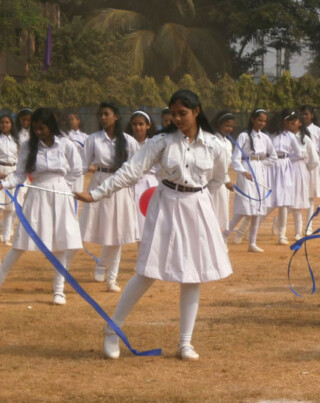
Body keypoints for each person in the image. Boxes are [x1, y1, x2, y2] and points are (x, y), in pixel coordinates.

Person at [74, 89, 232, 361]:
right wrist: (97, 193)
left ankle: (185, 343)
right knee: (148, 271)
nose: (178, 119)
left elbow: (219, 178)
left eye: (183, 113)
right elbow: (131, 171)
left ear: (196, 111)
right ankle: (112, 329)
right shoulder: (161, 142)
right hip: (166, 205)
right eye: (174, 114)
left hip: (197, 208)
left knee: (193, 275)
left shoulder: (215, 146)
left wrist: (200, 196)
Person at [0, 108, 83, 306]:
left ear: (51, 126)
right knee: (20, 243)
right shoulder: (29, 146)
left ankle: (59, 290)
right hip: (37, 194)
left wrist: (64, 187)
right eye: (35, 128)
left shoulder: (65, 144)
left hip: (60, 195)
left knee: (61, 243)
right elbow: (20, 174)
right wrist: (3, 184)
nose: (38, 131)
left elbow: (77, 169)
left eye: (42, 128)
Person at [79, 102, 138, 292]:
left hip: (120, 186)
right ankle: (101, 263)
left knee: (118, 234)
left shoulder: (129, 141)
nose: (103, 117)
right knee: (100, 230)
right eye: (100, 114)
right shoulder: (93, 139)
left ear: (116, 116)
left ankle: (111, 278)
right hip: (99, 183)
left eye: (106, 114)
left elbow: (136, 167)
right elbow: (81, 166)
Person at [223, 109, 276, 252]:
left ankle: (252, 243)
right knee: (243, 209)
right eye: (260, 120)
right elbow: (235, 158)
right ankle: (224, 237)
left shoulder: (265, 137)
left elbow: (273, 156)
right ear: (253, 119)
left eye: (264, 121)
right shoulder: (243, 136)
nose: (262, 123)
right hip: (246, 172)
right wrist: (244, 171)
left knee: (257, 210)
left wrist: (260, 165)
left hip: (259, 172)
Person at [263, 109, 302, 245]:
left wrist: (287, 159)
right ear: (283, 121)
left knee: (284, 201)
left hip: (285, 168)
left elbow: (298, 153)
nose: (292, 124)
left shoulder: (290, 136)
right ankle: (249, 228)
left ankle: (282, 234)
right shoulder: (269, 135)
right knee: (267, 198)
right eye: (289, 122)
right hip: (271, 166)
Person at [125, 110, 159, 242]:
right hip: (131, 185)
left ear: (148, 125)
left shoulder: (154, 143)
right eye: (135, 124)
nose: (138, 127)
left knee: (148, 225)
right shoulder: (126, 143)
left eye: (141, 124)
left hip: (149, 185)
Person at [287, 111, 319, 240]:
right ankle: (291, 230)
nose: (292, 124)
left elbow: (314, 160)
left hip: (301, 171)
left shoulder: (305, 139)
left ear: (300, 123)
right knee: (289, 201)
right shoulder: (285, 138)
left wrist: (305, 169)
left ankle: (300, 231)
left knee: (300, 201)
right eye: (290, 122)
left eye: (294, 122)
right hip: (287, 171)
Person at [0, 114, 19, 246]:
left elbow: (18, 157)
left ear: (11, 124)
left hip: (13, 174)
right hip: (0, 173)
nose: (4, 125)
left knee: (10, 208)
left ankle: (6, 237)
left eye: (7, 122)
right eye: (2, 122)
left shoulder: (16, 141)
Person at [300, 105, 320, 235]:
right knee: (296, 194)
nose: (304, 116)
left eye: (306, 114)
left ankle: (308, 226)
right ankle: (279, 219)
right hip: (299, 165)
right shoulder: (296, 131)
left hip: (313, 166)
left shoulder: (318, 131)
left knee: (310, 196)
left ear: (312, 115)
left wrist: (314, 159)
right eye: (302, 114)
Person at [210, 110, 236, 232]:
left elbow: (226, 164)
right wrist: (226, 180)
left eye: (231, 126)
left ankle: (221, 243)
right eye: (227, 125)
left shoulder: (228, 143)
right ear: (219, 124)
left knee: (222, 215)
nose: (229, 129)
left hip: (222, 185)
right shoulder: (212, 140)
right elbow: (215, 165)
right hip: (211, 183)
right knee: (211, 213)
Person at [67, 112, 88, 194]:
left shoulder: (84, 136)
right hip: (67, 166)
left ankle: (74, 207)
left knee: (77, 192)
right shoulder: (66, 135)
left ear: (78, 120)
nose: (71, 122)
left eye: (72, 119)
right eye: (69, 120)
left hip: (79, 166)